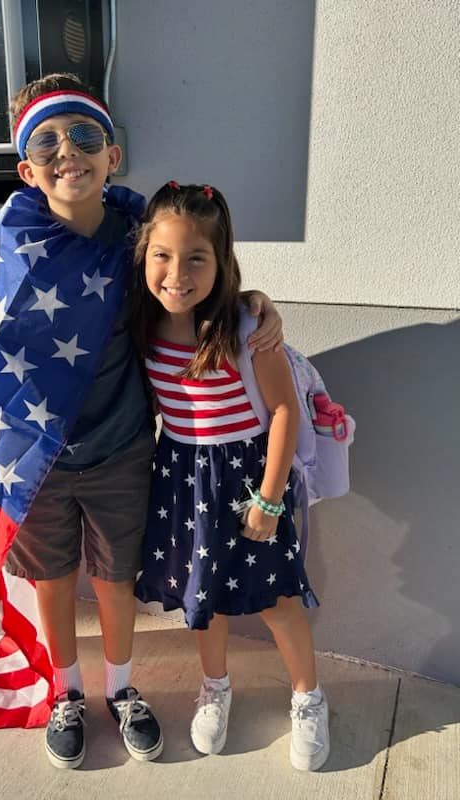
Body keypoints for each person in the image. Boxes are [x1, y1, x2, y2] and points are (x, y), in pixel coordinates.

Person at [0, 74, 284, 769]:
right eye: (47, 143)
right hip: (35, 454)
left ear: (113, 155)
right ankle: (67, 692)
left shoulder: (135, 234)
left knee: (113, 578)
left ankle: (120, 688)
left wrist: (252, 300)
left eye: (84, 135)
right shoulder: (7, 243)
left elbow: (186, 281)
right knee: (52, 580)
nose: (69, 153)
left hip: (121, 450)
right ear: (27, 169)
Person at [132, 182, 329, 771]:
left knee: (278, 599)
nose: (177, 274)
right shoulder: (141, 323)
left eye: (197, 258)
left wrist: (269, 501)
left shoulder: (246, 327)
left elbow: (285, 410)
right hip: (182, 480)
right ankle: (215, 687)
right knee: (205, 597)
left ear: (222, 261)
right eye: (162, 256)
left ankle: (309, 698)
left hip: (247, 480)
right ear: (143, 255)